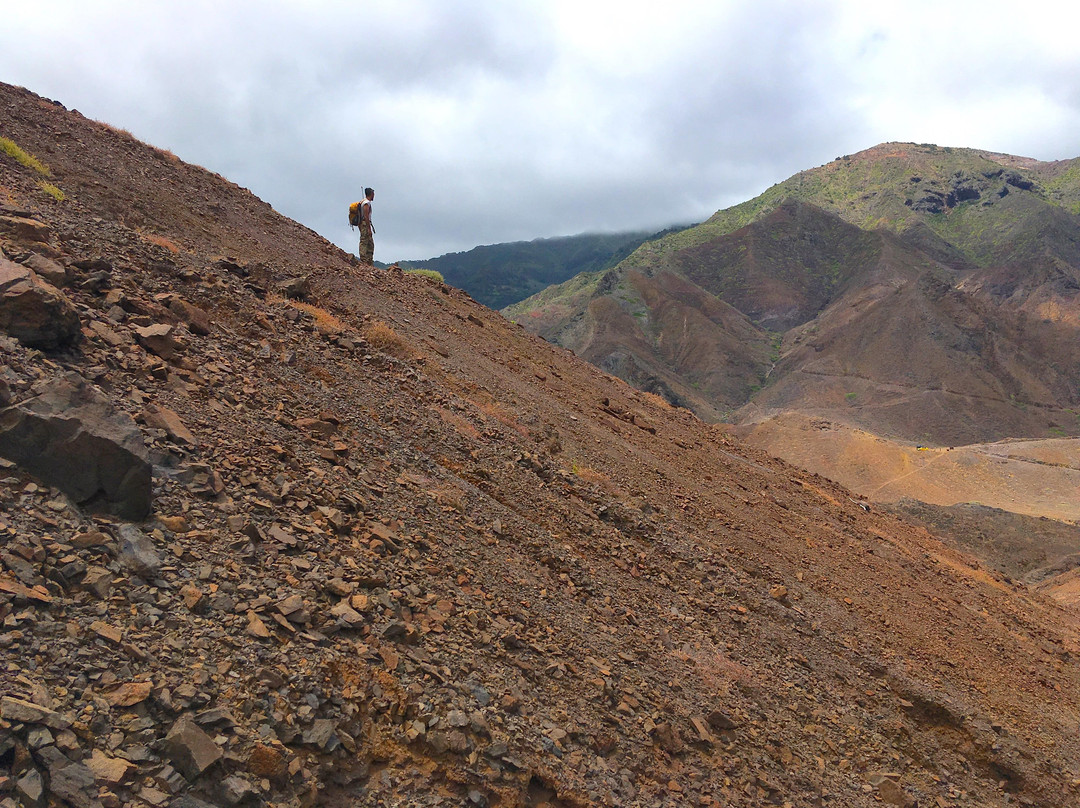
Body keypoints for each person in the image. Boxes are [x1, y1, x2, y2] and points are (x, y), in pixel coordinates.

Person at [358, 187, 375, 264]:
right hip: (365, 224)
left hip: (362, 224)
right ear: (371, 194)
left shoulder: (362, 202)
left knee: (370, 243)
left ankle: (369, 261)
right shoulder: (366, 203)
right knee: (364, 241)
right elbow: (366, 216)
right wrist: (369, 229)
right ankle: (364, 260)